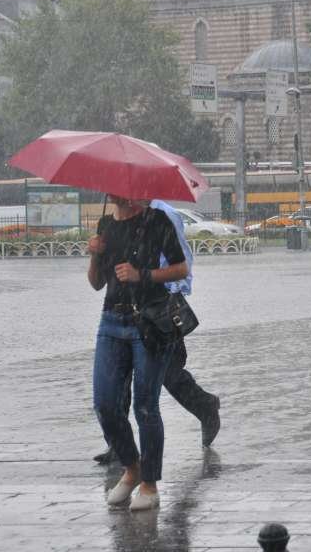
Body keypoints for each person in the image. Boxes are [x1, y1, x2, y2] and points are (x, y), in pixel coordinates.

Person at [94, 200, 221, 465]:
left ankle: (204, 405)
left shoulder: (163, 215)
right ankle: (118, 444)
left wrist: (162, 295)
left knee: (170, 375)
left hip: (159, 311)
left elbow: (181, 262)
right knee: (121, 378)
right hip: (126, 313)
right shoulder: (111, 221)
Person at [88, 196, 189, 511]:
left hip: (148, 321)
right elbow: (95, 283)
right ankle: (131, 468)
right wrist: (94, 256)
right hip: (111, 321)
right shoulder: (106, 225)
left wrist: (141, 275)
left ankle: (149, 483)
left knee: (145, 406)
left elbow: (181, 268)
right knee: (105, 405)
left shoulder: (156, 220)